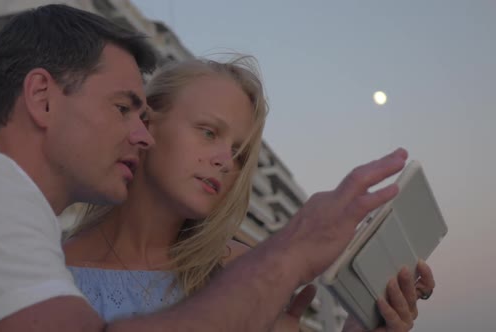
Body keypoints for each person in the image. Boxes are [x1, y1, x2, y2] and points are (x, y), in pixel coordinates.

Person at [0, 3, 424, 332]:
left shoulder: (21, 237)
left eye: (240, 153)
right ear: (42, 98)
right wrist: (289, 255)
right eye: (125, 108)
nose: (137, 131)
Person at [63, 57, 436, 331]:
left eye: (240, 154)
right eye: (209, 132)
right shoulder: (45, 265)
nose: (226, 161)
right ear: (147, 122)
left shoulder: (240, 268)